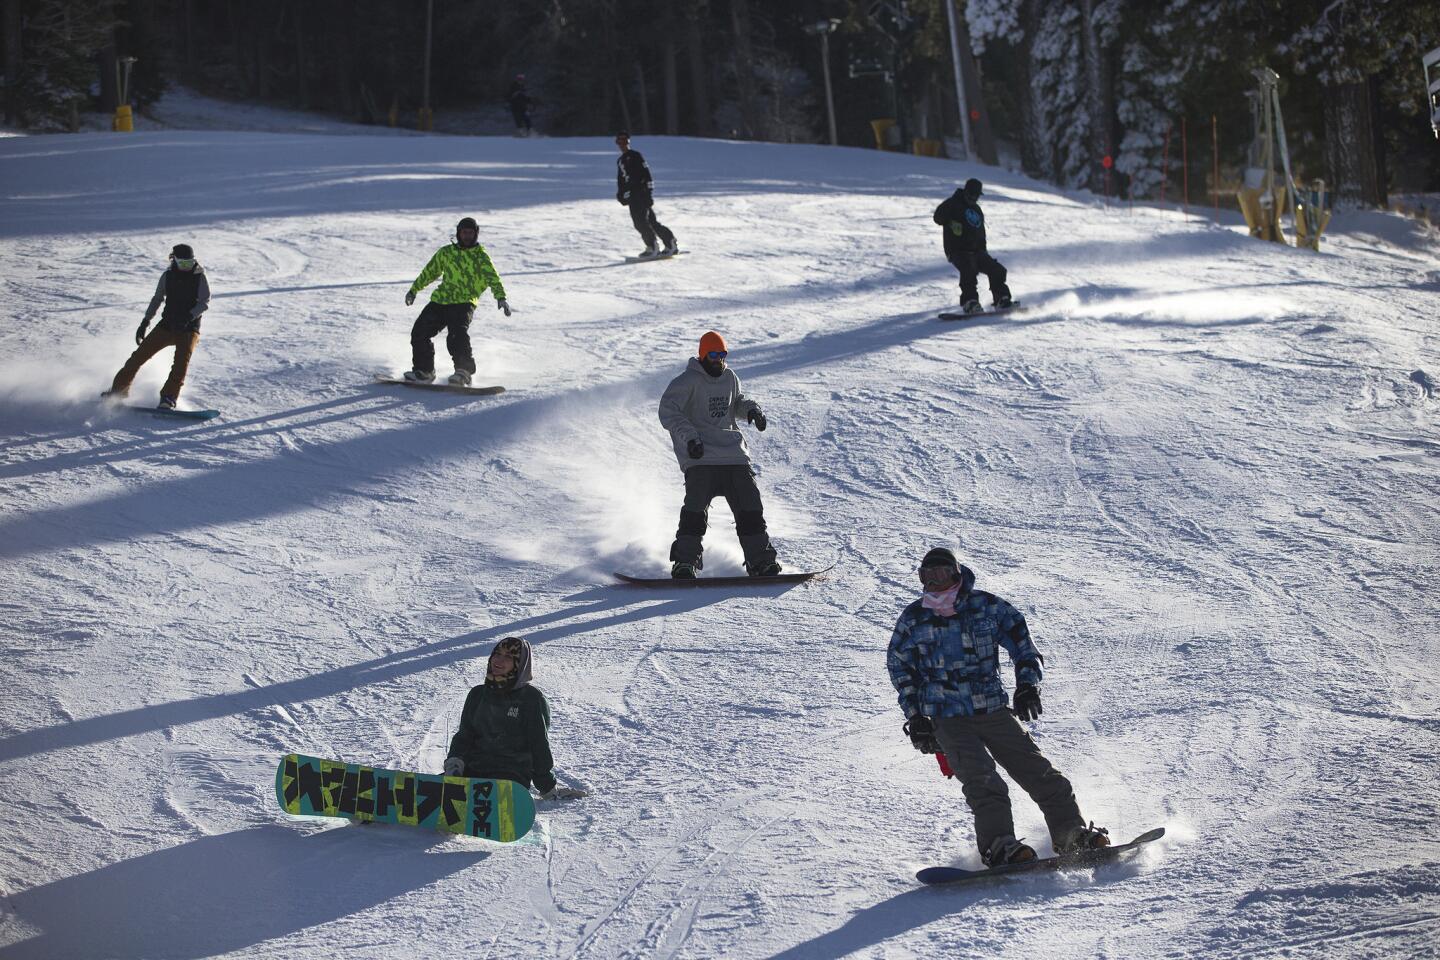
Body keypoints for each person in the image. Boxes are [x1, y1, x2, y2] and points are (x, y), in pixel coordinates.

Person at [886, 547, 1110, 866]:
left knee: (1042, 775)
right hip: (947, 718)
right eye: (926, 576)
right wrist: (916, 715)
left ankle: (1071, 836)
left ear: (956, 574)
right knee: (984, 783)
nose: (933, 582)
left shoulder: (986, 607)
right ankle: (999, 846)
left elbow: (1023, 644)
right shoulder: (914, 618)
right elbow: (899, 666)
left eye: (940, 574)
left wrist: (1027, 684)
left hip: (992, 710)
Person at [658, 331, 779, 579]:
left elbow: (737, 402)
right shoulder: (687, 381)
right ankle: (684, 563)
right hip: (701, 457)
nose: (718, 360)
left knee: (751, 509)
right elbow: (668, 411)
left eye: (722, 355)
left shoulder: (730, 378)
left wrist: (751, 411)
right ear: (703, 355)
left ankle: (761, 562)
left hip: (734, 455)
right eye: (713, 355)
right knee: (694, 511)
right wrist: (691, 438)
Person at [444, 637, 582, 800]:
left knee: (489, 797)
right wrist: (455, 764)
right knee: (437, 792)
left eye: (508, 657)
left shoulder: (531, 699)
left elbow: (539, 745)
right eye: (497, 654)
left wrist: (547, 786)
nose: (499, 660)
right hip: (472, 772)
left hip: (509, 778)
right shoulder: (477, 694)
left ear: (520, 664)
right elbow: (464, 735)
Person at [403, 216, 510, 386]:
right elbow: (430, 272)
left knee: (456, 334)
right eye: (464, 232)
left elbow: (493, 278)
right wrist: (414, 289)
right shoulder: (446, 252)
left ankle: (464, 372)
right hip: (441, 300)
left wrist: (501, 297)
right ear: (458, 234)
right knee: (419, 332)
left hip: (465, 301)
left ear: (476, 234)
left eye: (470, 233)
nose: (467, 236)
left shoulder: (481, 257)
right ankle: (424, 371)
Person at [103, 243, 211, 409]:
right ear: (174, 260)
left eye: (189, 263)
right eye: (182, 263)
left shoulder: (199, 277)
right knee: (137, 358)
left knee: (181, 365)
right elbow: (157, 299)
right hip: (167, 325)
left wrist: (188, 317)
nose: (186, 267)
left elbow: (204, 302)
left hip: (189, 329)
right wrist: (145, 322)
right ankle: (118, 392)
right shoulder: (167, 276)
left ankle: (168, 398)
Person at [933, 177, 1012, 314]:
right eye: (971, 194)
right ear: (965, 192)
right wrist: (950, 222)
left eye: (976, 195)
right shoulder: (953, 203)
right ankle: (970, 302)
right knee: (968, 269)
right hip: (957, 250)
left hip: (977, 251)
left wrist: (983, 251)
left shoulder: (976, 209)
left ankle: (1001, 300)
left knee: (997, 270)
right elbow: (937, 217)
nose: (973, 198)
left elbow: (980, 232)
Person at [615, 132, 678, 259]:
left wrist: (648, 193)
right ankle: (670, 243)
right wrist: (621, 195)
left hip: (641, 194)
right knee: (650, 222)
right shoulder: (621, 160)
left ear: (629, 142)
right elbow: (622, 180)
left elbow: (647, 174)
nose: (622, 145)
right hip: (632, 196)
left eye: (625, 142)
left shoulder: (635, 156)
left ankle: (652, 246)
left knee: (640, 222)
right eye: (619, 142)